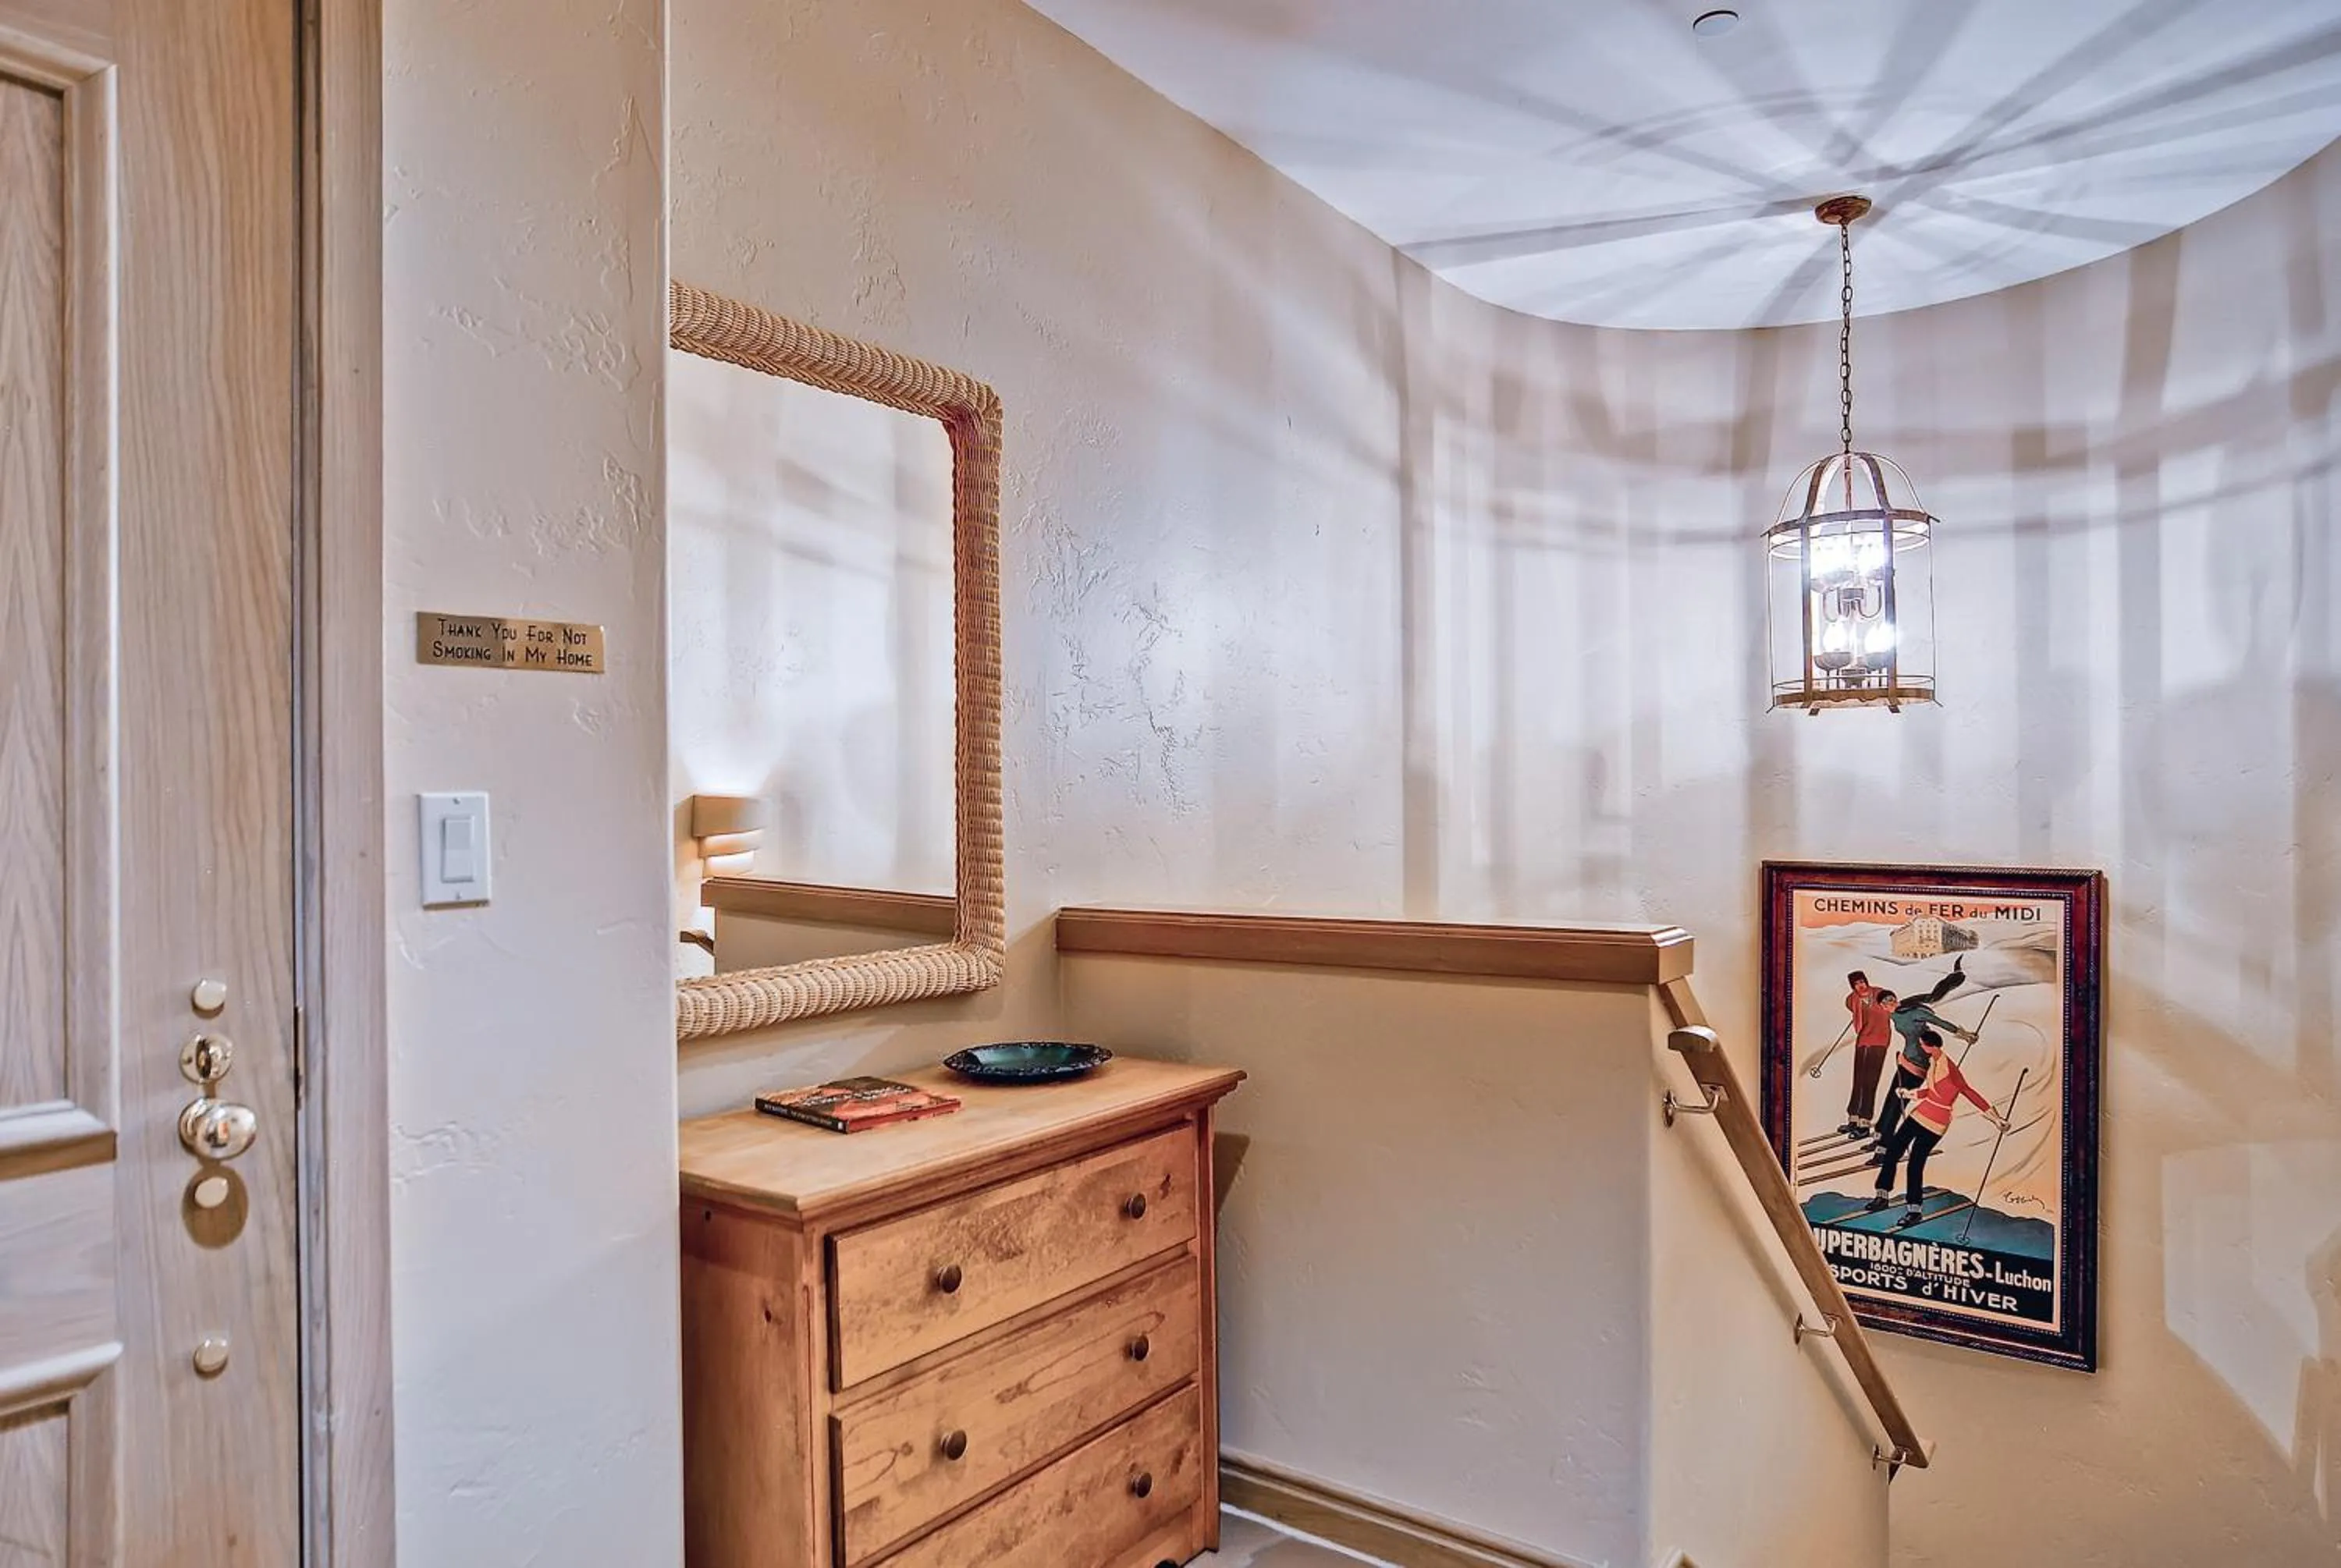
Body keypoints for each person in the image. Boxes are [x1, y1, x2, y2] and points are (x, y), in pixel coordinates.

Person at [1867, 1027, 2009, 1229]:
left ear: (1928, 1045)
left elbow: (1969, 1092)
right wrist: (1909, 1094)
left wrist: (1996, 1119)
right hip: (1920, 1114)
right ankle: (1882, 1196)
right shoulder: (1934, 1061)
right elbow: (1932, 1091)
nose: (1921, 1048)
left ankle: (1914, 1210)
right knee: (1893, 1152)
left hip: (1936, 1122)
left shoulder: (1950, 1068)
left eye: (1922, 1045)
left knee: (1915, 1163)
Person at [1870, 958, 1978, 1151]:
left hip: (1918, 1066)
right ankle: (1879, 1135)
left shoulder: (1915, 1013)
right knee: (1891, 1099)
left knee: (1899, 1102)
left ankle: (1885, 1146)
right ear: (1883, 1008)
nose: (1889, 1003)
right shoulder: (1895, 1014)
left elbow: (1940, 1023)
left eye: (1891, 999)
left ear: (1895, 998)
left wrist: (1964, 1035)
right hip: (1905, 1061)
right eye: (1885, 1003)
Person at [1838, 974, 1898, 1140]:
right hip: (1863, 1040)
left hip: (1879, 1041)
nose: (1861, 986)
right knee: (1858, 1080)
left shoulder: (1879, 993)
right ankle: (1854, 1118)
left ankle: (1864, 1123)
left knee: (1870, 1082)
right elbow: (1851, 1007)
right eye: (1857, 984)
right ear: (1852, 986)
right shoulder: (1852, 999)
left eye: (1862, 982)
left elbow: (1892, 1005)